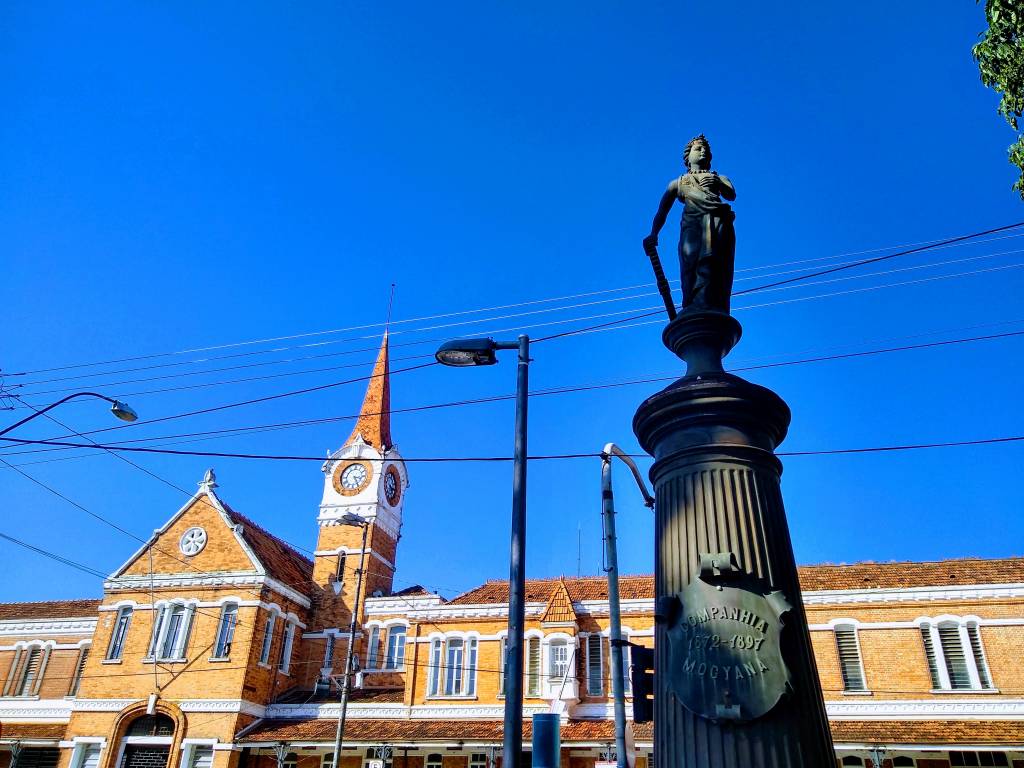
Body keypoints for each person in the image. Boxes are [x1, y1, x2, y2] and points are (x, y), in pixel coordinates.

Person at [643, 135, 737, 313]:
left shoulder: (719, 177)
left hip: (718, 225)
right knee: (691, 265)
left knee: (715, 265)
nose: (703, 152)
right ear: (688, 157)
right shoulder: (678, 183)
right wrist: (653, 233)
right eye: (698, 149)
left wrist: (717, 182)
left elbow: (731, 194)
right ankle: (693, 305)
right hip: (693, 228)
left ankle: (712, 305)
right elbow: (662, 211)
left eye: (705, 150)